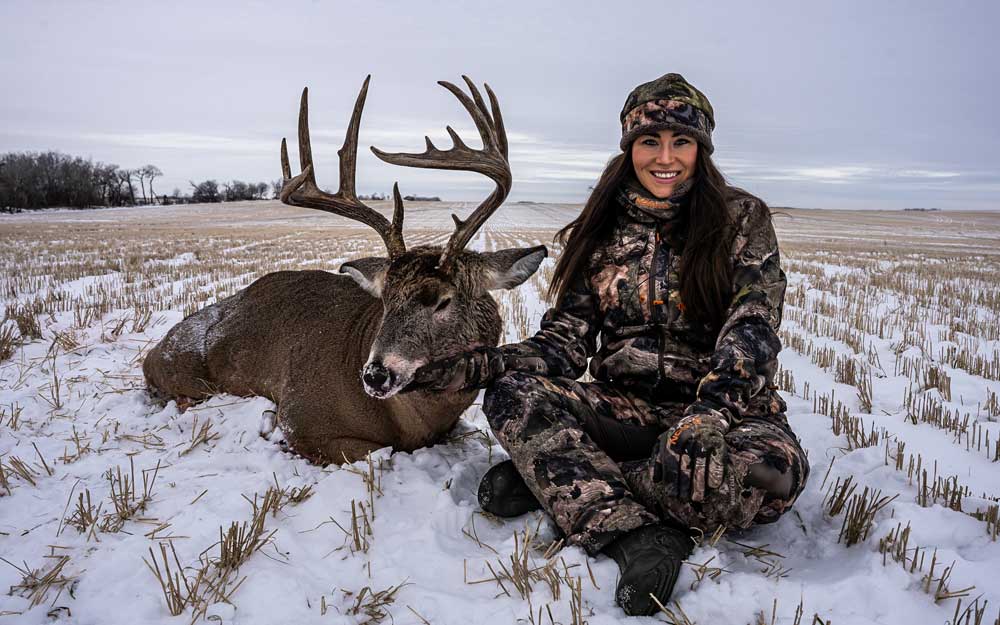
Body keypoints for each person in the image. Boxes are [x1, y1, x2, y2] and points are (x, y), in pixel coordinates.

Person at [406, 73, 809, 616]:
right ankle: (636, 535)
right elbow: (565, 345)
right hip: (629, 408)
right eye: (650, 141)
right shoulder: (598, 233)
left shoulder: (742, 219)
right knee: (512, 394)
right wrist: (487, 363)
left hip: (727, 414)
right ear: (629, 148)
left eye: (681, 142)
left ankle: (566, 477)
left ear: (701, 149)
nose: (666, 157)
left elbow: (753, 325)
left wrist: (711, 413)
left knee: (770, 480)